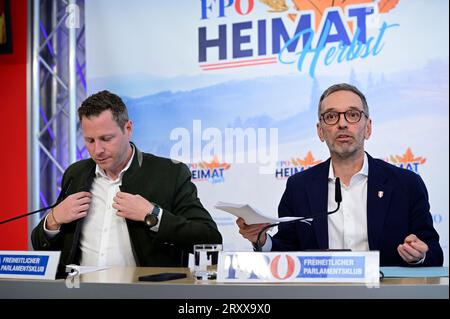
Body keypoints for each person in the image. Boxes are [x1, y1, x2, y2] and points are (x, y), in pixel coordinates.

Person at [237, 83, 443, 267]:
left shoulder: (406, 184)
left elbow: (433, 251)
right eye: (331, 116)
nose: (342, 124)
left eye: (353, 114)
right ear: (320, 131)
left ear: (368, 128)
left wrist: (419, 255)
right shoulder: (299, 187)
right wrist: (262, 240)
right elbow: (287, 253)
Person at [32, 90, 222, 267]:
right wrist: (54, 219)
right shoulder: (76, 174)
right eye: (90, 140)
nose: (97, 150)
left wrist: (152, 215)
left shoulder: (169, 174)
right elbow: (40, 244)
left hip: (144, 293)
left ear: (128, 128)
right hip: (80, 292)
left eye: (106, 139)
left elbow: (210, 239)